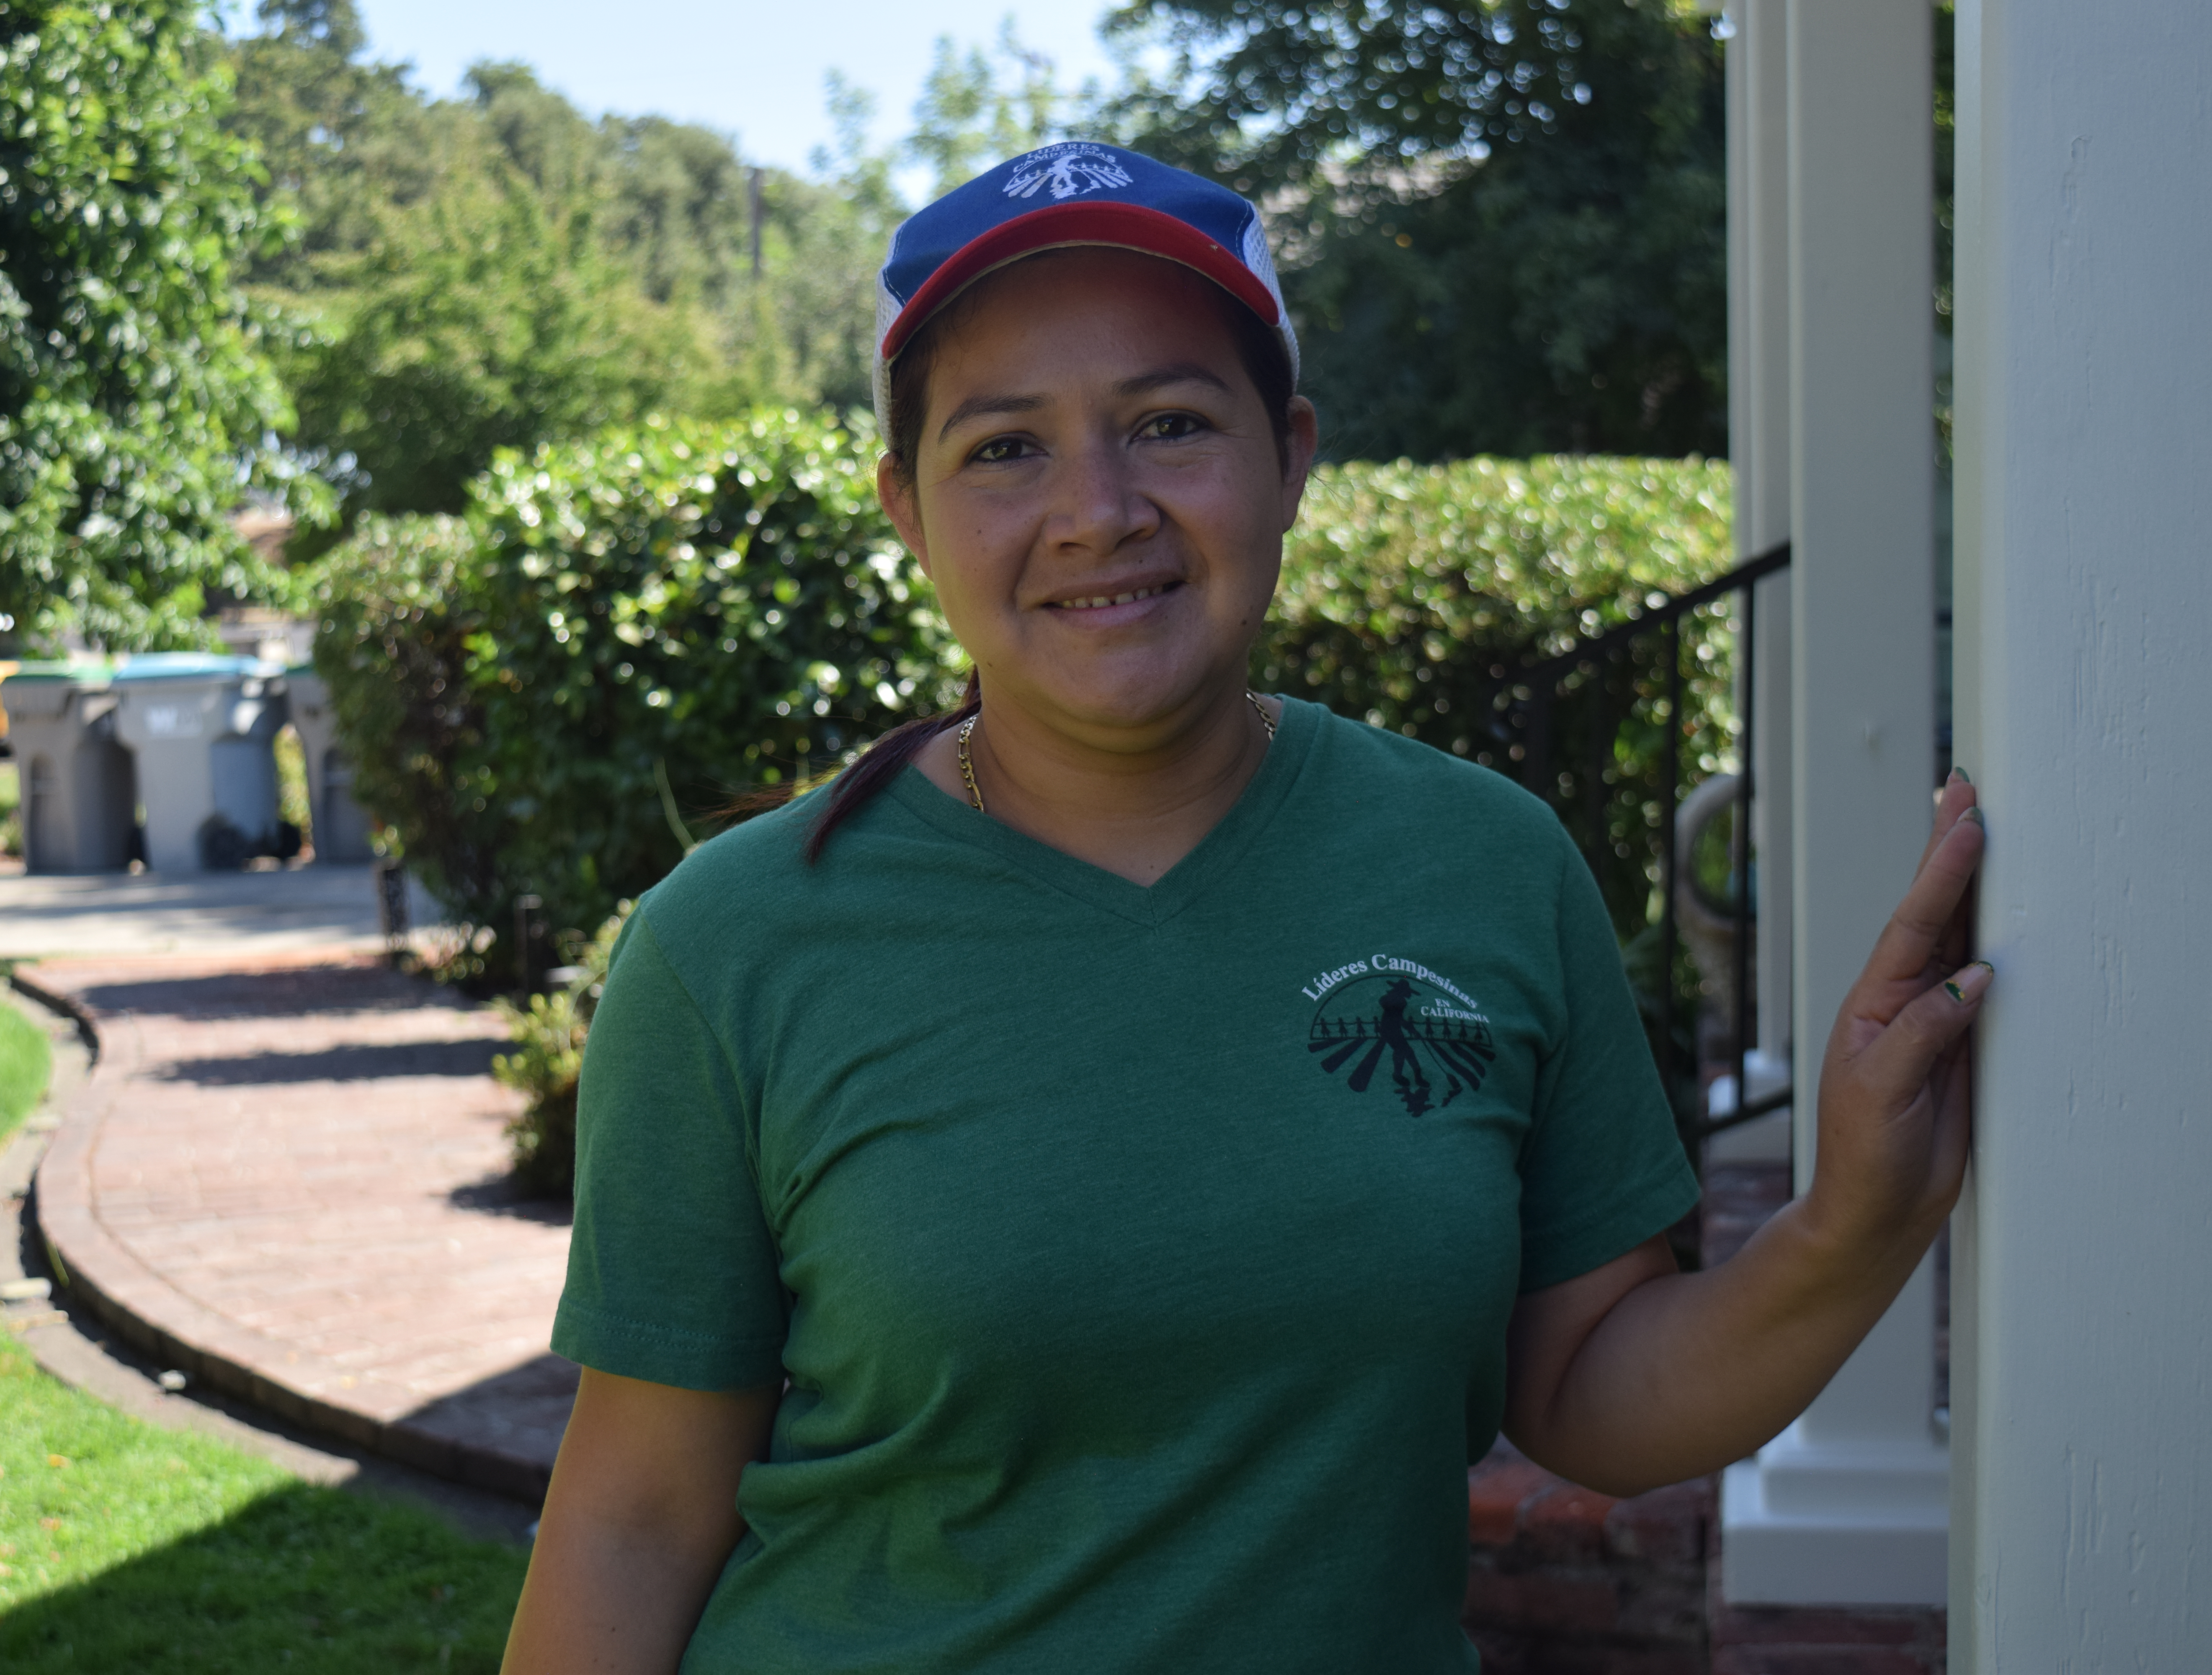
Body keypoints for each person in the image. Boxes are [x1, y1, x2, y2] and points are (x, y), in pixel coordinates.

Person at [499, 142, 1987, 1675]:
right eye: (1005, 448)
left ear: (1290, 457)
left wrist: (1849, 1223)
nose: (1099, 510)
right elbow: (631, 1524)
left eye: (1169, 424)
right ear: (907, 508)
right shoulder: (735, 943)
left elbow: (1594, 1394)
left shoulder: (1486, 865)